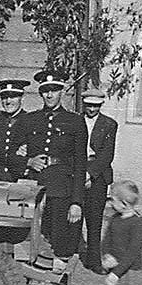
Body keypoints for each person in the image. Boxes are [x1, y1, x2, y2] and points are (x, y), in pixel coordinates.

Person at [13, 69, 87, 272]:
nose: (49, 95)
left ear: (61, 92)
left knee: (58, 244)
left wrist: (76, 202)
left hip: (61, 188)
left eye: (54, 90)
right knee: (30, 241)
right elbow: (10, 155)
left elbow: (80, 164)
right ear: (40, 93)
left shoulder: (75, 121)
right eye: (45, 91)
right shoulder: (29, 120)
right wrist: (28, 162)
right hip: (34, 187)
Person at [82, 89, 118, 275]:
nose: (92, 109)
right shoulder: (75, 121)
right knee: (74, 215)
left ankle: (94, 259)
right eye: (89, 105)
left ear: (101, 105)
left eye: (96, 105)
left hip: (98, 175)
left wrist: (91, 174)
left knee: (94, 219)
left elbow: (107, 155)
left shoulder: (109, 124)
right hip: (77, 172)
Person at [0, 79, 30, 182]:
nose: (8, 101)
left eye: (13, 97)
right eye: (4, 97)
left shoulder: (31, 121)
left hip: (20, 177)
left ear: (22, 98)